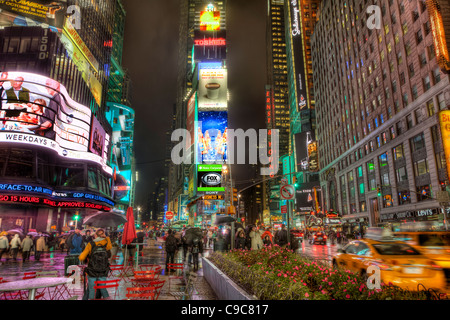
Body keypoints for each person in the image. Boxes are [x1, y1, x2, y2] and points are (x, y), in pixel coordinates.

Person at [79, 229, 112, 300]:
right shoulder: (106, 244)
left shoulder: (91, 244)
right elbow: (109, 254)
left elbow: (81, 257)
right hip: (103, 271)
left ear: (96, 235)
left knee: (92, 289)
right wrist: (107, 238)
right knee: (103, 288)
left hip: (92, 271)